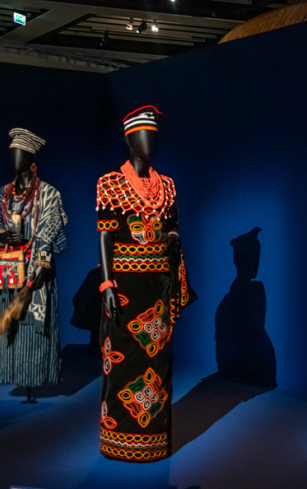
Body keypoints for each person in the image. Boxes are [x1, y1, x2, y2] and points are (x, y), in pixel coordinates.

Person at [97, 105, 195, 462]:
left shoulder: (166, 185)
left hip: (157, 288)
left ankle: (152, 440)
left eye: (154, 135)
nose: (149, 140)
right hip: (124, 286)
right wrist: (106, 284)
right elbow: (105, 237)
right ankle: (117, 440)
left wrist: (170, 237)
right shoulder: (110, 184)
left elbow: (173, 227)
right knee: (121, 364)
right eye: (142, 134)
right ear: (128, 139)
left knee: (157, 365)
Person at [0, 128, 68, 400]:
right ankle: (17, 376)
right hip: (9, 266)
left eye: (20, 155)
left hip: (35, 267)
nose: (14, 160)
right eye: (12, 155)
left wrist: (36, 273)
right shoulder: (4, 194)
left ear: (32, 160)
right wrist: (2, 234)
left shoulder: (49, 194)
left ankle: (34, 377)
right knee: (11, 325)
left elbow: (47, 234)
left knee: (34, 327)